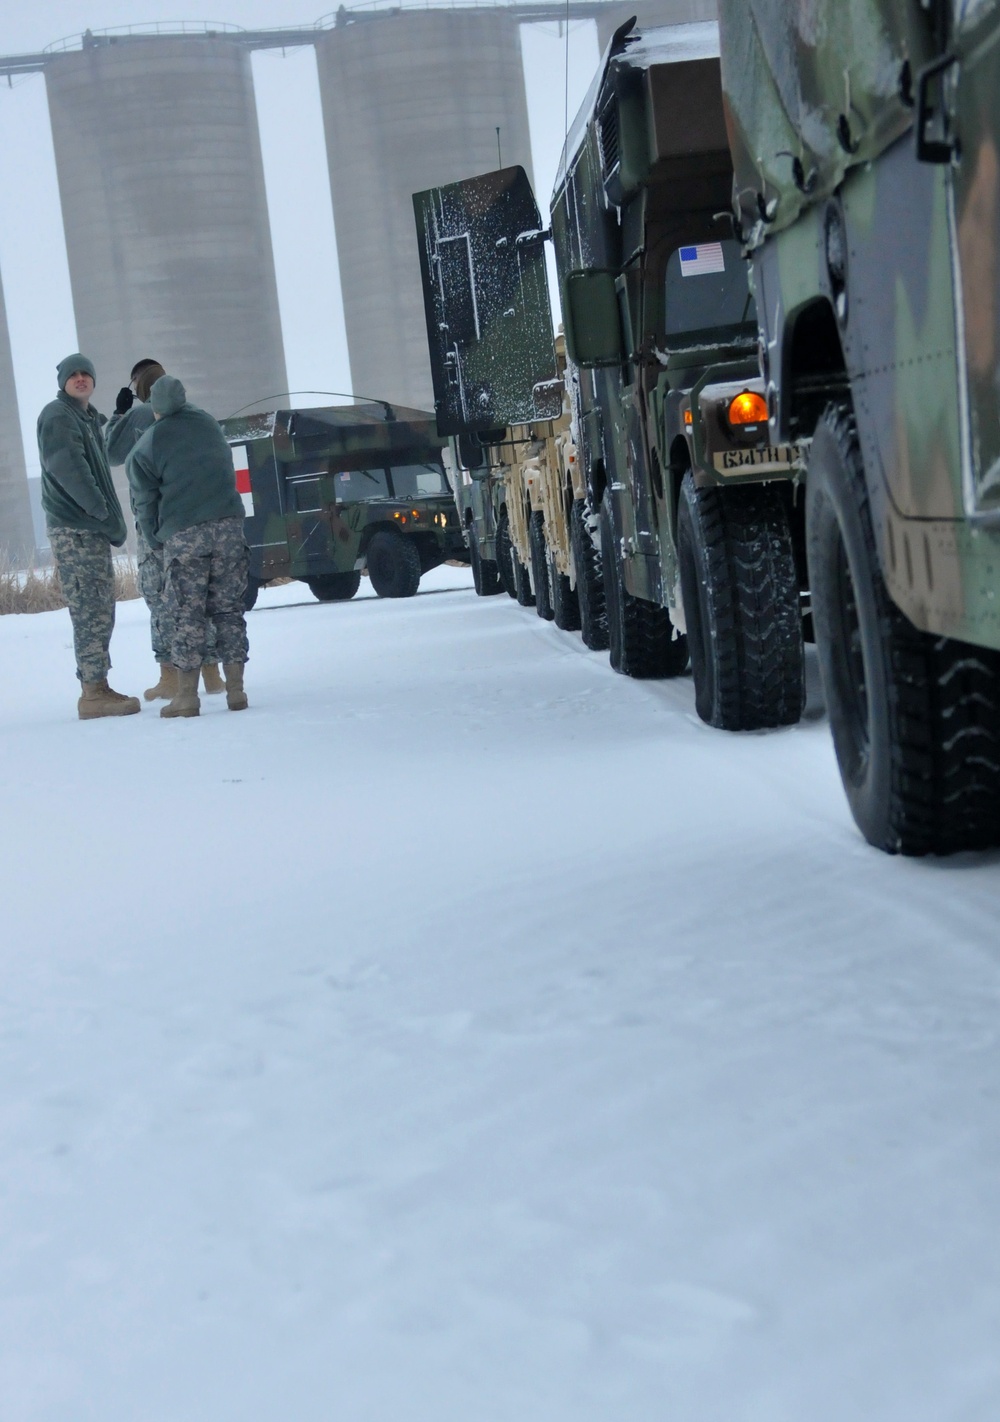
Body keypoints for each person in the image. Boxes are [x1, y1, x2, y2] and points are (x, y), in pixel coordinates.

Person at [127, 375, 249, 718]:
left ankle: (186, 696)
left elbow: (144, 500)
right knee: (228, 610)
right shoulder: (209, 424)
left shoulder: (149, 442)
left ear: (154, 406)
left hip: (185, 534)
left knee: (186, 614)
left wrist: (154, 539)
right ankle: (236, 690)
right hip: (229, 527)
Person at [105, 357, 226, 702]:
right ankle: (212, 673)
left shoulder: (141, 415)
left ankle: (170, 675)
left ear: (139, 387)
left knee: (159, 595)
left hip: (155, 523)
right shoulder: (196, 414)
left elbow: (110, 452)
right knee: (200, 594)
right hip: (193, 520)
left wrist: (117, 414)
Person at [37, 354, 140, 719]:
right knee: (90, 609)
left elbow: (109, 453)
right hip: (76, 527)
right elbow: (68, 467)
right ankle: (93, 692)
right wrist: (101, 512)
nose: (80, 379)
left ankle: (98, 685)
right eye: (73, 375)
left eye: (86, 374)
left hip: (89, 527)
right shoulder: (57, 416)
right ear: (63, 382)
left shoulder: (86, 418)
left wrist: (118, 416)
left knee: (101, 607)